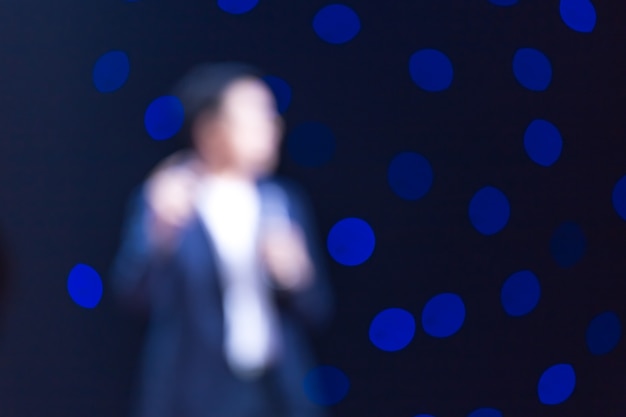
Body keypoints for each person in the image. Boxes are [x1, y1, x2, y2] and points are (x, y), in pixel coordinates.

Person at [110, 62, 333, 417]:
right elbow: (133, 295)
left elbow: (317, 308)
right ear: (211, 130)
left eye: (270, 115)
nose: (270, 127)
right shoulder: (169, 198)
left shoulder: (282, 200)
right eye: (254, 115)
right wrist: (159, 233)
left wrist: (293, 274)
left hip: (278, 390)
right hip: (198, 394)